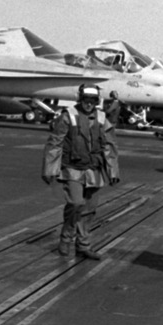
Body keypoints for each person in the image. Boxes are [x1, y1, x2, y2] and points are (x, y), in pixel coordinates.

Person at [42, 84, 120, 261]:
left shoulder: (101, 118)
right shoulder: (67, 116)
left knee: (90, 209)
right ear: (80, 99)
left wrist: (113, 171)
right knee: (76, 203)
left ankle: (83, 246)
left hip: (93, 169)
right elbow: (55, 142)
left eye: (93, 100)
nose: (89, 104)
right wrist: (50, 169)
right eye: (86, 100)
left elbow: (109, 145)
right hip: (72, 169)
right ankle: (66, 237)